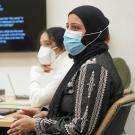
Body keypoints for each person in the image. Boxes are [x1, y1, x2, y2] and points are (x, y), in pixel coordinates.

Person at [7, 5, 123, 135]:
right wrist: (47, 114)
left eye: (75, 27)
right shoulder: (91, 60)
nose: (68, 33)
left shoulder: (93, 68)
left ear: (95, 32)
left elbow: (80, 129)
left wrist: (35, 124)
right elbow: (78, 114)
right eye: (67, 26)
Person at [30, 27, 73, 108]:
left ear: (63, 45)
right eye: (41, 45)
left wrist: (34, 75)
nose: (42, 49)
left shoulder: (66, 68)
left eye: (47, 44)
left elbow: (37, 101)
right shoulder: (59, 65)